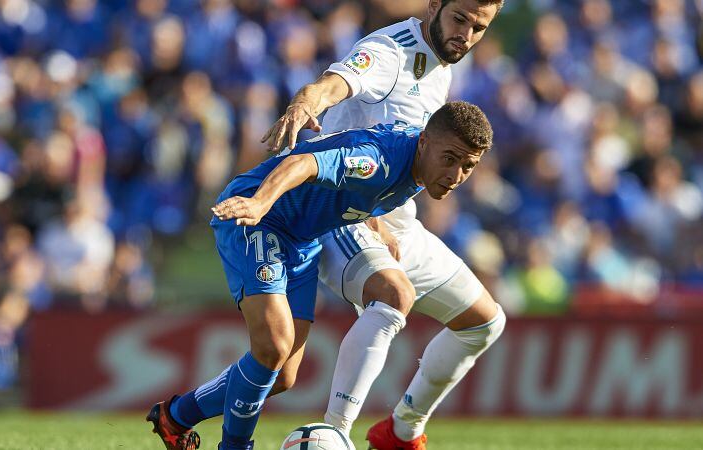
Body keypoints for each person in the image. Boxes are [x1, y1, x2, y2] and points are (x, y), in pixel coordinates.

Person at [146, 101, 493, 450]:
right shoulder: (379, 161)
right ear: (424, 142)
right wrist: (260, 202)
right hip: (259, 219)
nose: (456, 175)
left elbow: (358, 187)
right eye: (450, 159)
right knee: (273, 346)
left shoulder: (421, 168)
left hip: (301, 240)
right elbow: (304, 163)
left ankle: (175, 416)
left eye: (468, 166)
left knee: (282, 375)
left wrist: (373, 221)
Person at [260, 1, 506, 449]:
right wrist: (303, 104)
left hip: (396, 223)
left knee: (484, 323)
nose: (466, 36)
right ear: (434, 5)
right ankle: (334, 431)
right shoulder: (391, 50)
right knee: (393, 296)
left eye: (479, 28)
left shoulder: (443, 65)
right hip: (344, 212)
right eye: (459, 20)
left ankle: (401, 431)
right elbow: (335, 83)